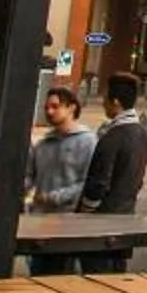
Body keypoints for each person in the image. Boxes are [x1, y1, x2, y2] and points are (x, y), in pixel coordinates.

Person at [78, 74, 147, 216]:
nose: (103, 103)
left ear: (116, 102)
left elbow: (99, 183)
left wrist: (85, 209)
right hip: (127, 212)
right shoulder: (142, 133)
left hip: (104, 216)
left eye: (105, 99)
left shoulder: (113, 136)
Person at [26, 85, 95, 213]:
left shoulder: (87, 142)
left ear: (71, 108)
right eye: (46, 108)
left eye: (55, 106)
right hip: (38, 216)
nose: (49, 112)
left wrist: (54, 197)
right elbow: (29, 177)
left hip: (68, 218)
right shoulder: (43, 144)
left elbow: (88, 183)